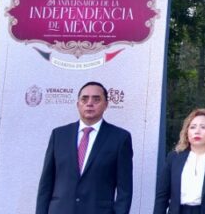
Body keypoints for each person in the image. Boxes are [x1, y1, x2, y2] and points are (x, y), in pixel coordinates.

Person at [37, 80, 134, 214]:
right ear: (78, 104)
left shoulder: (120, 138)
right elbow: (45, 185)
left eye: (96, 99)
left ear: (106, 105)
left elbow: (125, 190)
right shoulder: (59, 135)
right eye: (84, 99)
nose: (89, 103)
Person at [154, 108, 205, 214]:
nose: (197, 131)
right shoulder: (173, 158)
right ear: (187, 131)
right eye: (192, 127)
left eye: (203, 127)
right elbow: (161, 197)